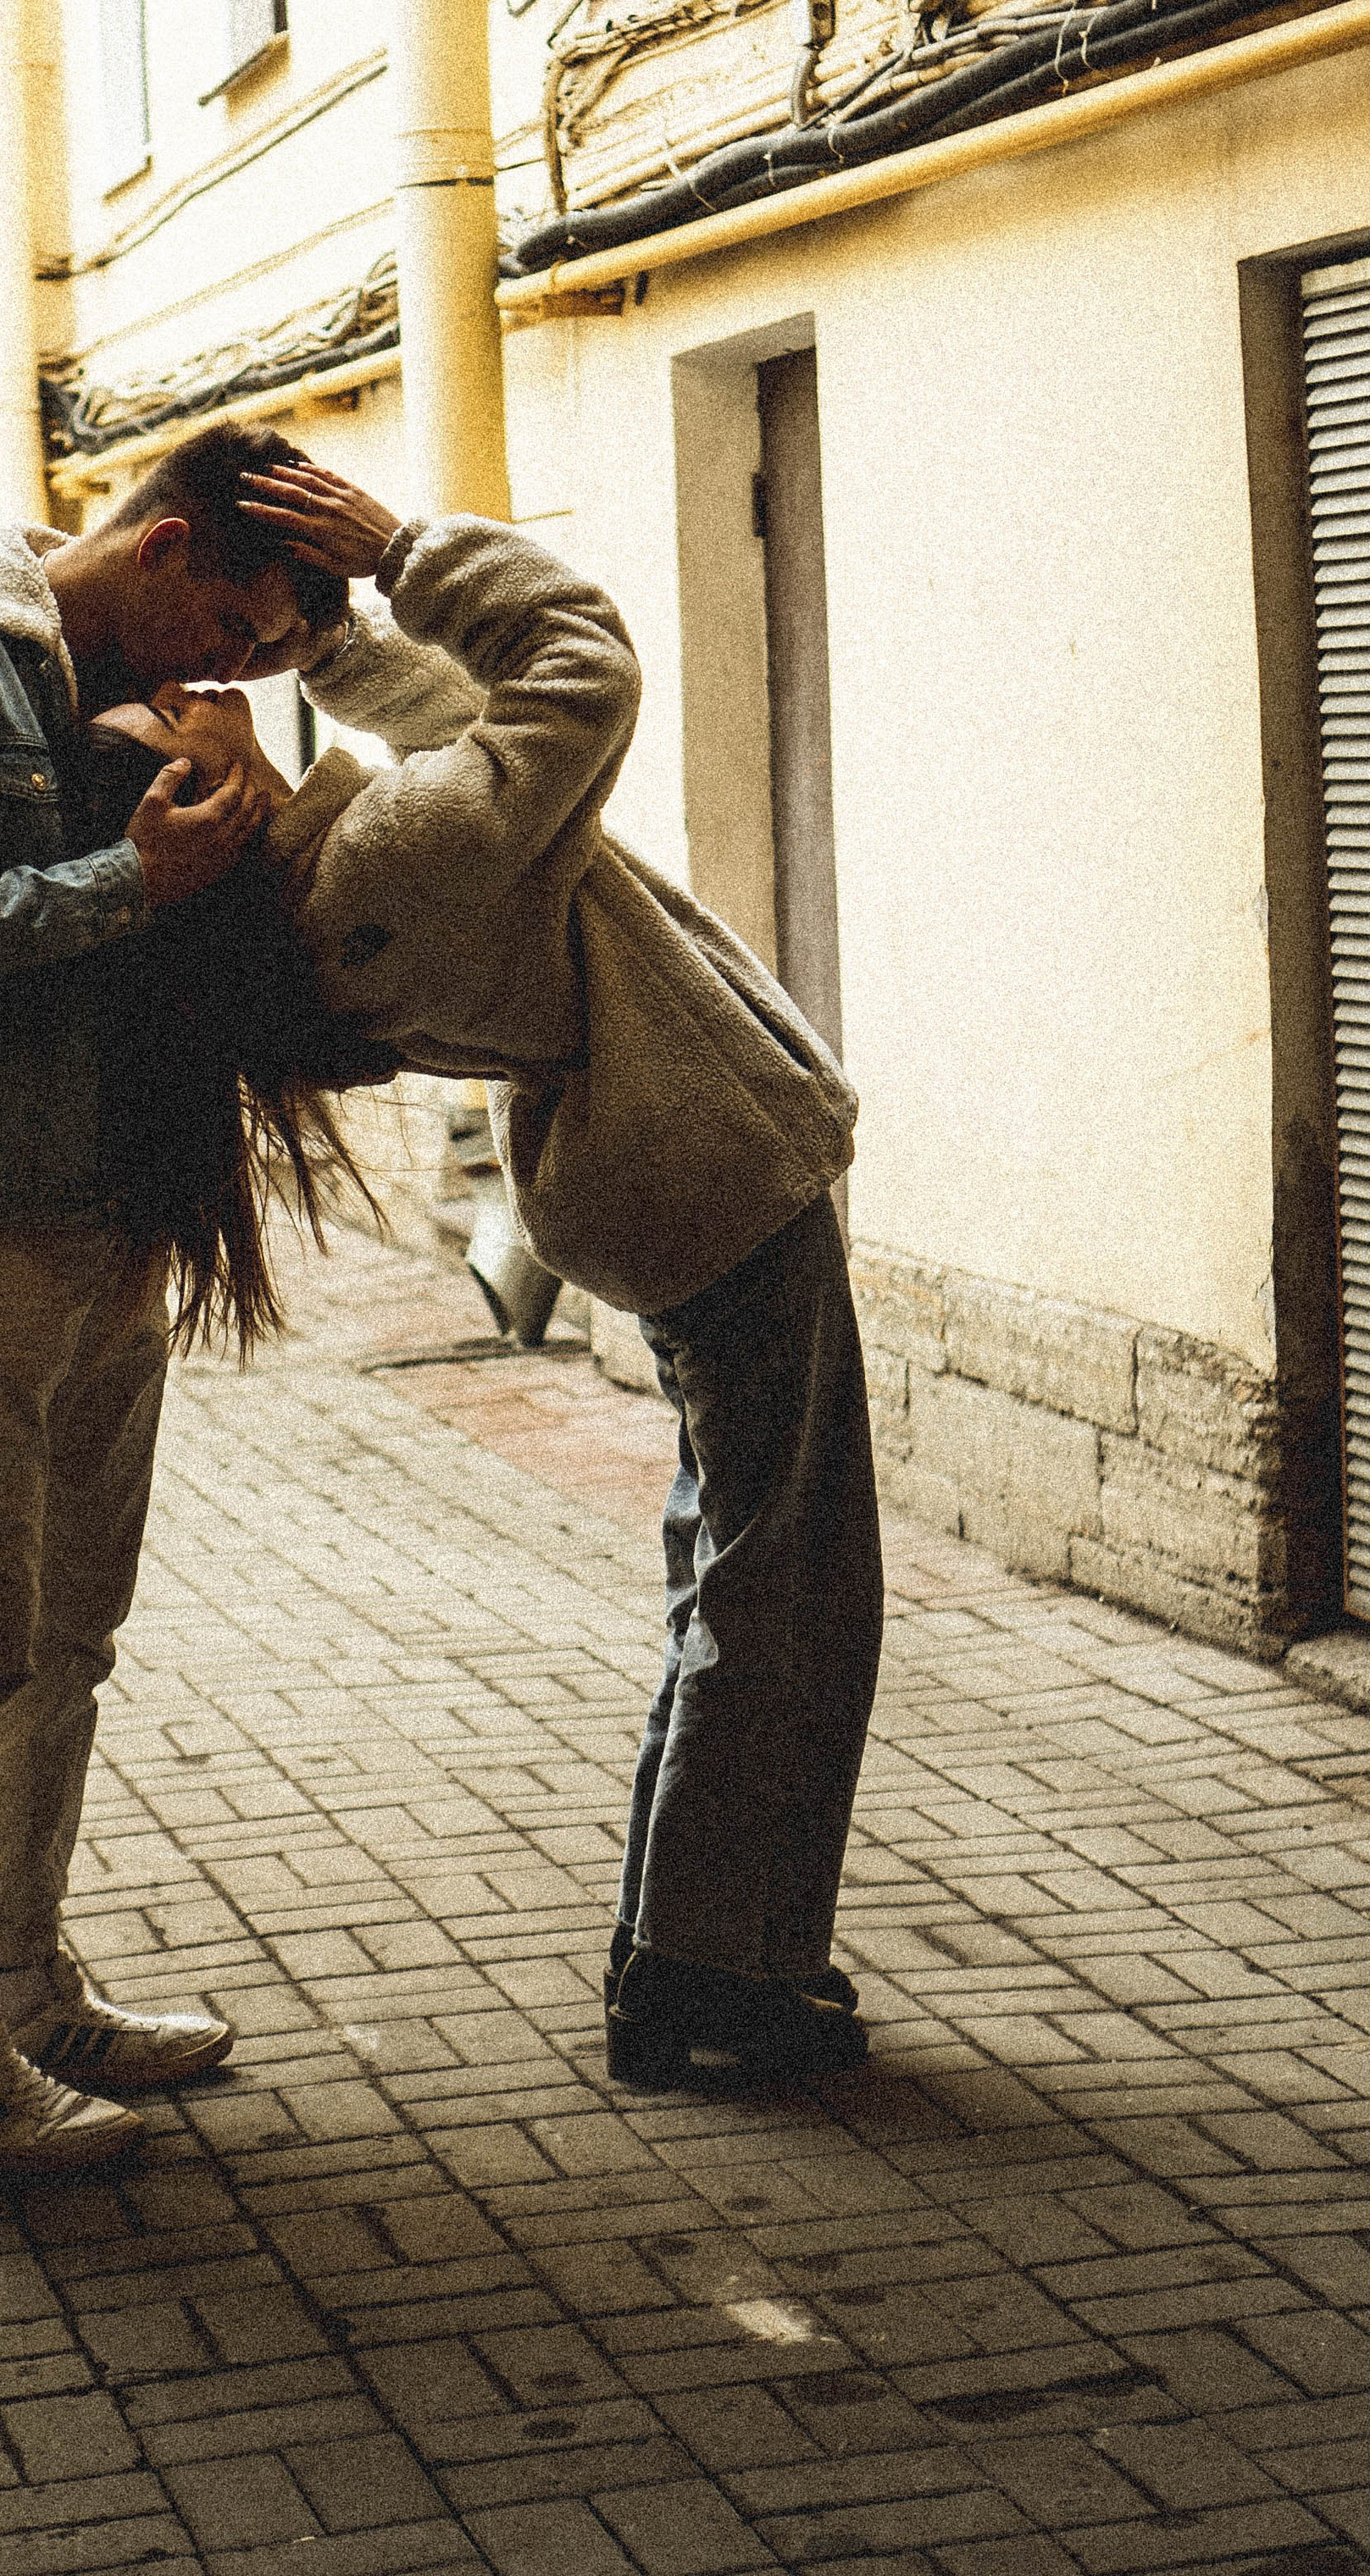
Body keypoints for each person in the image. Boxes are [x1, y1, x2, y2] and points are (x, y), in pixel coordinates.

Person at [93, 456, 883, 2090]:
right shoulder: (386, 870)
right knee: (784, 1587)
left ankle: (705, 1947)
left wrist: (322, 647)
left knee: (745, 1568)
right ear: (203, 808)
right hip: (714, 1182)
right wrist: (403, 551)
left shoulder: (337, 882)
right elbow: (571, 669)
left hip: (673, 1180)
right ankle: (707, 1977)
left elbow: (451, 735)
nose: (197, 691)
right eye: (172, 719)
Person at [0, 420, 349, 2180]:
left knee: (70, 1636)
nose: (229, 675)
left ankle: (25, 1990)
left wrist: (232, 809)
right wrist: (134, 877)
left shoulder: (143, 701)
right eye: (236, 634)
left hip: (114, 1214)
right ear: (167, 547)